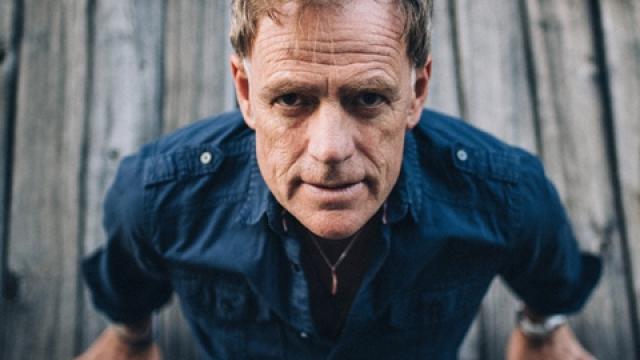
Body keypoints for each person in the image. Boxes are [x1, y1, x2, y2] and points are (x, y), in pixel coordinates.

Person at [76, 0, 602, 359]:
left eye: (368, 98)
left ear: (417, 90)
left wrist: (541, 330)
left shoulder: (504, 194)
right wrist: (129, 336)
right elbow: (129, 283)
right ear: (244, 90)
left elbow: (551, 276)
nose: (330, 150)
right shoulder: (157, 198)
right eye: (291, 99)